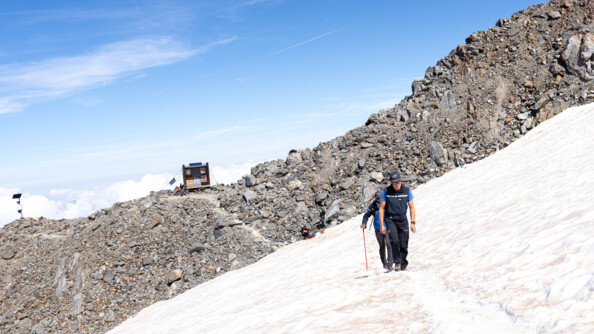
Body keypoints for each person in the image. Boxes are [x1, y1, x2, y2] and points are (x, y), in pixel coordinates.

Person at [379, 172, 416, 271]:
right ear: (391, 182)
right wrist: (382, 225)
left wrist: (412, 223)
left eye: (398, 181)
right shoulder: (386, 192)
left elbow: (412, 207)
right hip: (390, 219)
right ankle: (397, 262)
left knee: (404, 243)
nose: (397, 184)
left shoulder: (407, 191)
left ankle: (403, 264)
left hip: (402, 219)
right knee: (394, 241)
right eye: (394, 182)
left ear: (401, 180)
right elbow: (381, 209)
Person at [361, 190, 392, 270]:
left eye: (380, 198)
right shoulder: (373, 205)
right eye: (377, 198)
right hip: (378, 229)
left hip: (387, 227)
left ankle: (390, 263)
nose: (379, 200)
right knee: (382, 246)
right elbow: (366, 216)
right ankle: (384, 262)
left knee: (389, 244)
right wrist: (364, 223)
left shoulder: (387, 203)